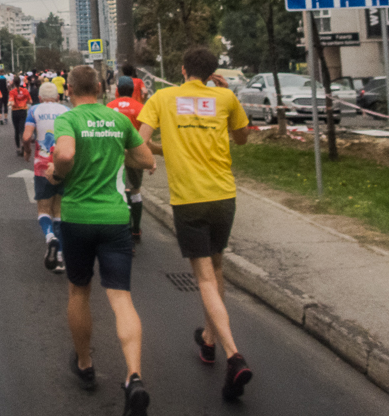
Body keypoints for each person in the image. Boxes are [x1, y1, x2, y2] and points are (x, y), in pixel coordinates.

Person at [137, 47, 253, 402]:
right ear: (212, 72)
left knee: (203, 276)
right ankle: (209, 340)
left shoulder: (163, 97)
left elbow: (139, 142)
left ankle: (234, 356)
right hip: (224, 196)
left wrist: (163, 149)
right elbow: (242, 138)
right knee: (217, 265)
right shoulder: (226, 97)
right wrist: (221, 96)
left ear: (182, 68)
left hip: (190, 199)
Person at [49, 64, 153, 415]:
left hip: (77, 218)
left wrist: (56, 171)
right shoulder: (117, 120)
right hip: (115, 218)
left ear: (71, 91)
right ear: (99, 87)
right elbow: (147, 159)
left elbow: (63, 154)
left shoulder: (69, 120)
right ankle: (134, 377)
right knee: (121, 298)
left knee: (79, 290)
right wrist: (115, 152)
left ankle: (84, 363)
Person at [22, 81, 68, 273]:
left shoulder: (34, 110)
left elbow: (26, 137)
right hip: (62, 165)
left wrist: (26, 151)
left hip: (42, 166)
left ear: (39, 98)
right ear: (58, 97)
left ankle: (50, 237)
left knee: (43, 208)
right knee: (59, 209)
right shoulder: (67, 110)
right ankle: (60, 257)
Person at [108, 76, 146, 242]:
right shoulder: (140, 108)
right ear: (132, 90)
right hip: (135, 154)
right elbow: (145, 137)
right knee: (135, 191)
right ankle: (136, 230)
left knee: (119, 190)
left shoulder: (109, 108)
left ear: (117, 90)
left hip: (114, 154)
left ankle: (122, 229)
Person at [9, 75, 32, 156]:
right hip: (23, 111)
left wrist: (11, 103)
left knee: (16, 130)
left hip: (15, 112)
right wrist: (24, 102)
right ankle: (23, 145)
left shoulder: (12, 92)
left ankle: (18, 148)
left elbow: (12, 102)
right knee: (22, 128)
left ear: (14, 83)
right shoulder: (25, 91)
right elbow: (30, 101)